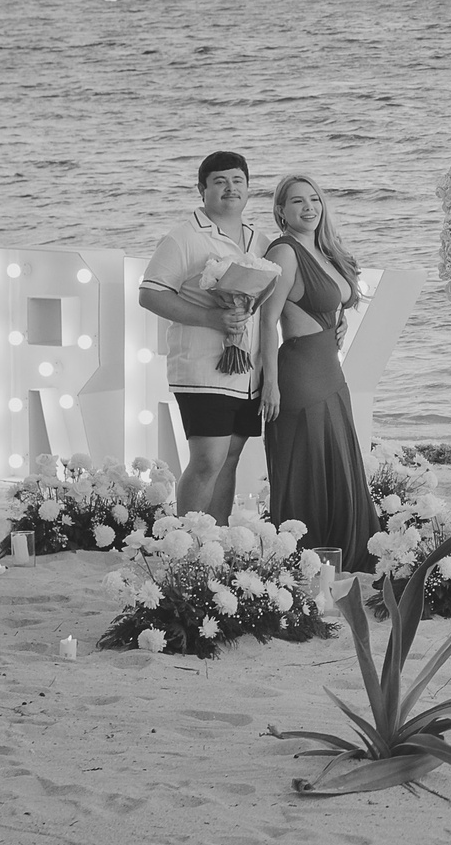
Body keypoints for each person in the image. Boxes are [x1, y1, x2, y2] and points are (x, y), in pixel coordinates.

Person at [257, 173, 379, 572]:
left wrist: (338, 321)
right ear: (281, 211)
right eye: (297, 201)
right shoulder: (285, 252)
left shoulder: (325, 251)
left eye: (314, 199)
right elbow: (268, 319)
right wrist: (270, 384)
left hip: (330, 374)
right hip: (300, 376)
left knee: (339, 465)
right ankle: (306, 560)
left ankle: (341, 558)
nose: (309, 207)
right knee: (307, 468)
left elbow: (333, 299)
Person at [139, 152, 269, 522]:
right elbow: (150, 294)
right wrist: (212, 318)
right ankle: (188, 540)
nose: (230, 188)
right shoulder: (184, 237)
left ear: (248, 188)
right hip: (201, 370)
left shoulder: (259, 241)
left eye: (237, 181)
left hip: (247, 374)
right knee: (207, 460)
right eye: (219, 182)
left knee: (229, 459)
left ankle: (218, 536)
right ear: (202, 189)